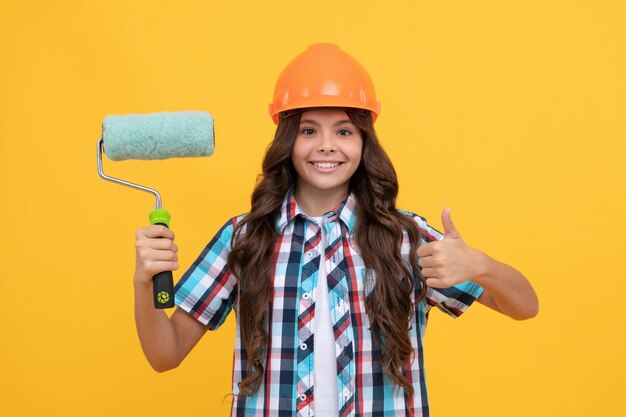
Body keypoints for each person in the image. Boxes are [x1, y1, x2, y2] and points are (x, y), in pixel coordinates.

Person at [133, 43, 538, 417]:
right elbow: (163, 355)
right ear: (288, 141)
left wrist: (480, 265)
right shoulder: (245, 238)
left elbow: (525, 307)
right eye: (309, 130)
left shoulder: (405, 238)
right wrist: (145, 280)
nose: (327, 145)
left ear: (364, 143)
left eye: (343, 131)